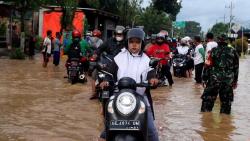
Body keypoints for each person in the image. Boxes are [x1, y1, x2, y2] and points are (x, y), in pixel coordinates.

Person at [99, 28, 159, 141]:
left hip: (140, 98)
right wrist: (106, 80)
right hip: (119, 98)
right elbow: (109, 74)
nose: (134, 45)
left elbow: (151, 73)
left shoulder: (147, 60)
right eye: (131, 42)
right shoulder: (118, 58)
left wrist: (153, 80)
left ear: (142, 43)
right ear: (127, 43)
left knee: (151, 132)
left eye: (137, 42)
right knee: (105, 132)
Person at [201, 34, 239, 114]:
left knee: (207, 102)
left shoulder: (213, 51)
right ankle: (225, 122)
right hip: (228, 80)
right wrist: (235, 81)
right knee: (226, 103)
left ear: (218, 40)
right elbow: (236, 68)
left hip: (214, 79)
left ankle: (206, 122)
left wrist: (204, 78)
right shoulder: (233, 51)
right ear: (227, 41)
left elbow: (207, 65)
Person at [89, 25, 126, 100]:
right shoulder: (109, 41)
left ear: (124, 35)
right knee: (94, 73)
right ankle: (94, 93)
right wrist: (96, 54)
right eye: (117, 34)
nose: (118, 36)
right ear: (115, 34)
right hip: (108, 64)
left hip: (120, 66)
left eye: (120, 35)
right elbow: (100, 49)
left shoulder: (126, 43)